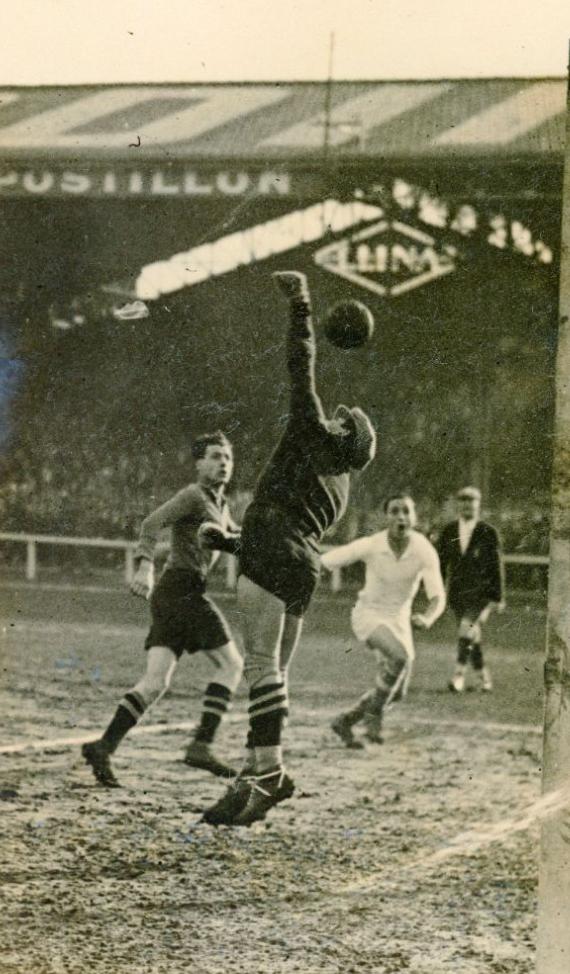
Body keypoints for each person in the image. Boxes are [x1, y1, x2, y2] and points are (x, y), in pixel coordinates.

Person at [200, 270, 377, 827]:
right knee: (272, 670)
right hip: (304, 567)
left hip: (273, 549)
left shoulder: (309, 430)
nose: (334, 412)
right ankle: (251, 773)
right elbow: (296, 527)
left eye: (342, 419)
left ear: (340, 435)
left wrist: (301, 303)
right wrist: (231, 540)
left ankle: (270, 772)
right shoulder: (341, 484)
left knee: (257, 664)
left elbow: (301, 363)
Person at [81, 432, 243, 788]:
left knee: (155, 683)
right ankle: (201, 746)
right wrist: (143, 565)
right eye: (215, 457)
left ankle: (103, 746)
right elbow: (151, 524)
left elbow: (236, 542)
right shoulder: (193, 496)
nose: (223, 464)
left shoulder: (222, 506)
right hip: (181, 590)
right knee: (232, 665)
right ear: (198, 463)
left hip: (175, 594)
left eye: (227, 458)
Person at [325, 494, 446, 749]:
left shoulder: (423, 549)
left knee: (397, 692)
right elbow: (330, 560)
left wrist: (427, 617)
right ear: (385, 516)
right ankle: (372, 718)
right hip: (368, 613)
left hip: (400, 618)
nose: (400, 517)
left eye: (406, 511)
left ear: (414, 517)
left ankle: (345, 721)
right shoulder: (372, 544)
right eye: (394, 511)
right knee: (399, 658)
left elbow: (437, 596)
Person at [435, 486, 504, 693]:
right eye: (463, 501)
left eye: (471, 501)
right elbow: (440, 563)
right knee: (471, 636)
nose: (467, 505)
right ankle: (484, 679)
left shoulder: (488, 532)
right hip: (457, 593)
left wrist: (498, 597)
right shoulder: (449, 531)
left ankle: (458, 676)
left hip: (481, 594)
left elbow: (496, 566)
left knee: (466, 629)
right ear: (459, 505)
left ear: (478, 505)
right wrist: (437, 591)